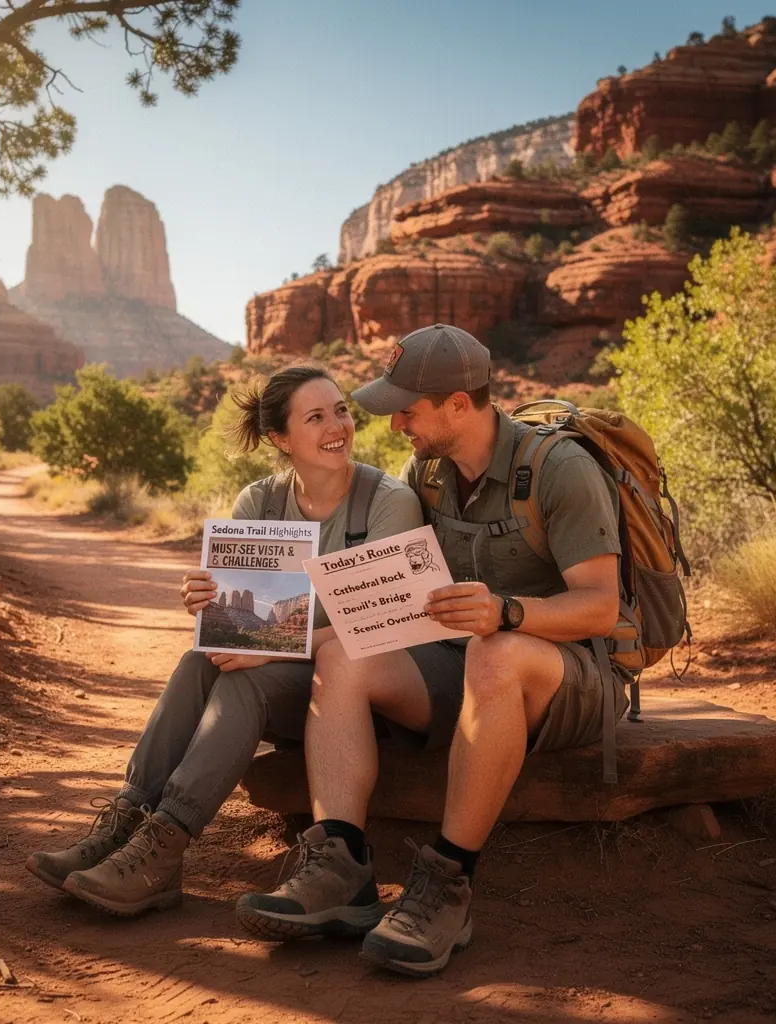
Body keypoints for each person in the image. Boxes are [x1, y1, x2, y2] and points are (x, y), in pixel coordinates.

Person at [237, 324, 629, 976]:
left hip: (571, 674)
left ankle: (447, 884)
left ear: (457, 403)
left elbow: (601, 607)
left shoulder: (562, 471)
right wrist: (255, 604)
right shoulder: (428, 472)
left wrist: (506, 612)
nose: (394, 426)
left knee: (497, 653)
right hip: (461, 667)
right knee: (345, 656)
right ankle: (340, 868)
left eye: (407, 410)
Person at [25, 364, 425, 917]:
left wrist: (275, 645)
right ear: (281, 439)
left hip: (359, 686)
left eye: (340, 410)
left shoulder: (387, 501)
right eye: (316, 417)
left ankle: (163, 845)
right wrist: (206, 599)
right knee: (199, 660)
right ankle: (125, 821)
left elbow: (388, 620)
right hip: (294, 675)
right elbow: (240, 619)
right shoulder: (258, 504)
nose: (338, 425)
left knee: (248, 682)